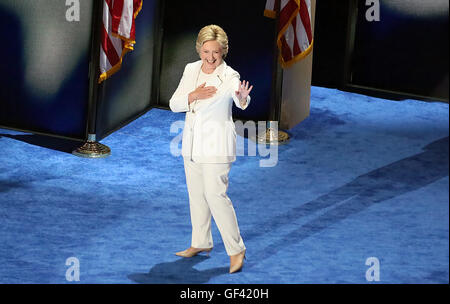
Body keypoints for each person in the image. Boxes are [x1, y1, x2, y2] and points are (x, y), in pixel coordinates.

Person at [169, 24, 253, 274]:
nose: (210, 57)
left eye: (216, 52)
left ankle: (237, 249)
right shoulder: (191, 69)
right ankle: (200, 242)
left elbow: (240, 99)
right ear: (199, 49)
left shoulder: (229, 76)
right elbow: (175, 104)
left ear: (223, 51)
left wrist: (243, 97)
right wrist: (193, 95)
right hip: (192, 146)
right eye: (206, 51)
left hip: (216, 146)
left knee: (216, 197)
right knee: (197, 196)